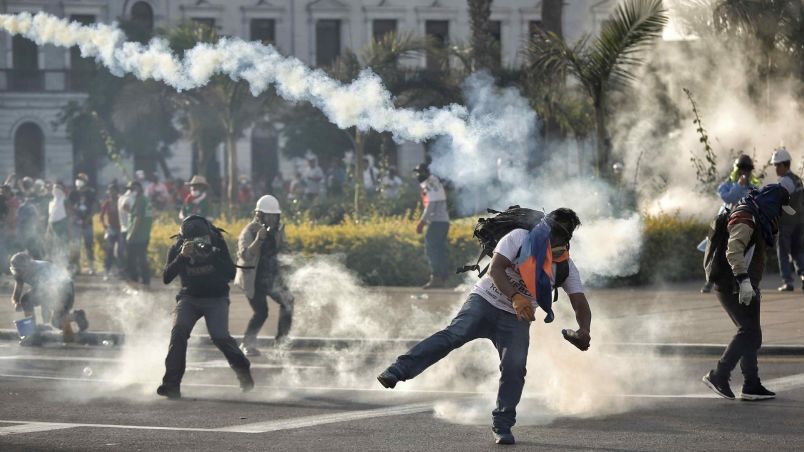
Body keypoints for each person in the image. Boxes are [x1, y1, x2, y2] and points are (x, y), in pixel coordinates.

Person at [377, 208, 592, 445]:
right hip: (485, 300)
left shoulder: (565, 268)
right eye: (547, 228)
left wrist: (584, 331)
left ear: (565, 239)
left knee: (514, 368)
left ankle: (502, 425)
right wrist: (516, 297)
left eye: (557, 233)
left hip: (514, 318)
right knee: (453, 336)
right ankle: (399, 370)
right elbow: (496, 269)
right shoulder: (519, 237)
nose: (548, 235)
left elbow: (580, 304)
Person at [702, 182, 796, 401]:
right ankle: (718, 375)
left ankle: (751, 385)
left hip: (744, 285)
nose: (780, 216)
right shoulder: (747, 217)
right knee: (750, 333)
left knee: (751, 334)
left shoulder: (758, 217)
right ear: (772, 204)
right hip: (732, 285)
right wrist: (744, 281)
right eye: (780, 210)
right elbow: (733, 251)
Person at [158, 215, 254, 399]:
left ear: (209, 234)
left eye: (203, 238)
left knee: (220, 336)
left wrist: (214, 255)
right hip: (189, 297)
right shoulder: (178, 248)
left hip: (216, 297)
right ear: (184, 240)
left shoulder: (218, 242)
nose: (199, 243)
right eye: (193, 241)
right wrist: (182, 257)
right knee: (178, 331)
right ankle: (171, 384)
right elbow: (166, 278)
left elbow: (231, 274)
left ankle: (243, 369)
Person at [235, 195, 295, 356]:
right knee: (262, 312)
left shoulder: (279, 230)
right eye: (269, 216)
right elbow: (245, 255)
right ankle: (247, 344)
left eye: (275, 216)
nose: (272, 220)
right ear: (259, 215)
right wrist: (257, 240)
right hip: (253, 279)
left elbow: (284, 247)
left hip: (272, 277)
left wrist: (287, 258)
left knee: (288, 302)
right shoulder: (248, 231)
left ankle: (281, 343)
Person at [701, 155, 762, 293]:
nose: (744, 172)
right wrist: (739, 185)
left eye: (747, 169)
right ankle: (710, 281)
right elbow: (728, 197)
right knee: (717, 253)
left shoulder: (753, 188)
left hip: (743, 226)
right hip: (725, 225)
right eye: (742, 169)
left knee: (742, 254)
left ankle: (739, 283)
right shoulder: (727, 185)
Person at [9, 252, 88, 344]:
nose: (18, 273)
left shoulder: (42, 270)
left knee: (57, 321)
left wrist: (53, 313)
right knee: (26, 300)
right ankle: (31, 333)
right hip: (48, 290)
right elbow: (18, 290)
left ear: (29, 267)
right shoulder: (20, 273)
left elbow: (51, 294)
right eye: (16, 270)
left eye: (20, 270)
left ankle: (76, 316)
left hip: (64, 288)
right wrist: (16, 303)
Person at [769, 147, 804, 291]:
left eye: (778, 165)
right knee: (798, 251)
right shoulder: (797, 180)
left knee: (783, 252)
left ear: (785, 165)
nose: (776, 168)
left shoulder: (784, 182)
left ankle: (787, 282)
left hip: (786, 223)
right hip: (800, 221)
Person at [413, 163, 451, 289]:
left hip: (437, 222)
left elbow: (431, 205)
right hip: (442, 222)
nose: (418, 175)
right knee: (439, 250)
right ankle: (443, 278)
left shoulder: (431, 182)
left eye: (419, 172)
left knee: (431, 250)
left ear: (425, 172)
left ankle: (436, 278)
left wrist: (422, 222)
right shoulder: (432, 182)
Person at [67, 173, 98, 275]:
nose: (79, 181)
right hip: (76, 223)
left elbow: (94, 208)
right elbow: (69, 207)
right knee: (75, 246)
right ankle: (76, 268)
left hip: (87, 223)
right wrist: (74, 218)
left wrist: (87, 220)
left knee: (89, 245)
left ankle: (91, 267)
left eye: (81, 179)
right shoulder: (73, 193)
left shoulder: (90, 192)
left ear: (85, 181)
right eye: (78, 179)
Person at [126, 182, 153, 288]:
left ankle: (134, 281)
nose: (131, 191)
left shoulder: (140, 200)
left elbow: (138, 218)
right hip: (144, 235)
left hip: (137, 236)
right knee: (142, 258)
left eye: (132, 189)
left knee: (133, 259)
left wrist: (131, 235)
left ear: (138, 189)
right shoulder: (146, 200)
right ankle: (145, 280)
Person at [99, 184, 124, 280]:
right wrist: (104, 226)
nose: (111, 193)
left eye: (113, 191)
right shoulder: (107, 203)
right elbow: (101, 216)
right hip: (111, 229)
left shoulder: (121, 202)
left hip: (120, 229)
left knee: (120, 251)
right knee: (109, 251)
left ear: (117, 192)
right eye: (110, 191)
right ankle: (107, 271)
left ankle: (120, 271)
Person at [46, 183, 72, 267]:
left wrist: (68, 228)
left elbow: (69, 214)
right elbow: (51, 217)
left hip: (62, 225)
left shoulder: (65, 201)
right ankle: (54, 265)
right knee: (53, 246)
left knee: (62, 246)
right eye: (54, 189)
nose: (56, 191)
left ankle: (64, 265)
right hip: (52, 226)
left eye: (58, 189)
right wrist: (48, 230)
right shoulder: (51, 202)